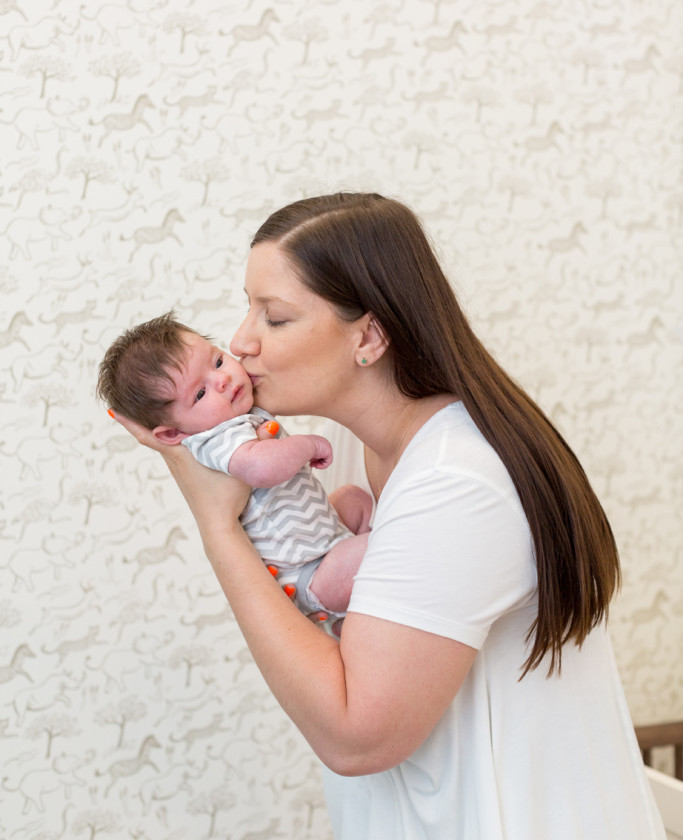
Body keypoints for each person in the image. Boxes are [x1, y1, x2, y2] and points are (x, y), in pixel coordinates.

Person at [109, 192, 666, 840]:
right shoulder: (348, 450)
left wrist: (217, 528)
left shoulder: (454, 482)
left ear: (368, 336)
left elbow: (355, 737)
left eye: (276, 317)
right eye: (246, 306)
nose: (240, 341)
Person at [96, 312, 373, 625]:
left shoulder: (239, 412)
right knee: (380, 548)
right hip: (310, 572)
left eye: (216, 362)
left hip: (325, 538)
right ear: (174, 434)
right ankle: (351, 607)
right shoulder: (215, 439)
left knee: (354, 498)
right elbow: (260, 468)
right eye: (200, 394)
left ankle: (361, 598)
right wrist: (309, 446)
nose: (223, 380)